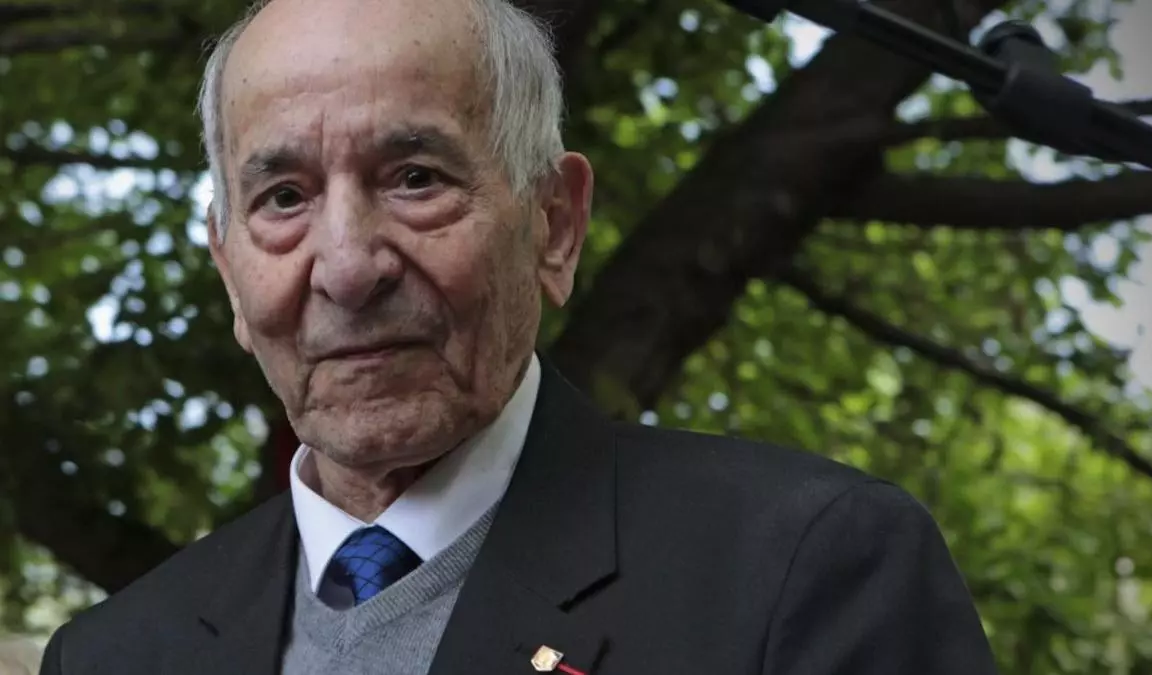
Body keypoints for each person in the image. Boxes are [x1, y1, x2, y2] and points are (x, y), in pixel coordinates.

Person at [40, 0, 999, 672]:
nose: (348, 267)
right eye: (283, 198)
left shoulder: (805, 570)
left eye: (415, 178)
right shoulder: (112, 655)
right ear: (229, 270)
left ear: (554, 225)